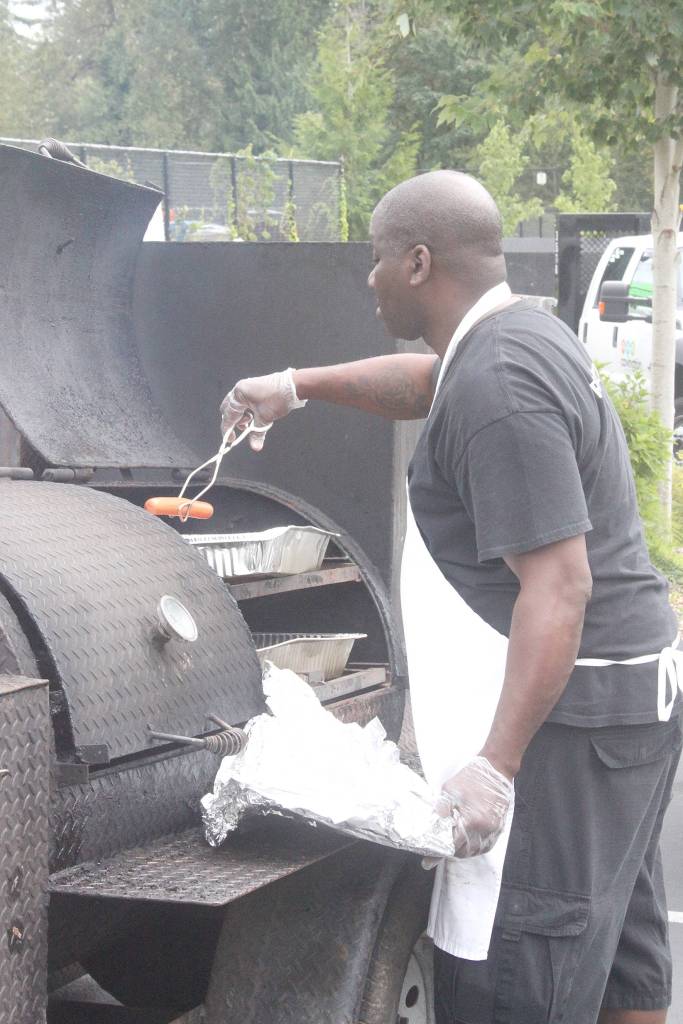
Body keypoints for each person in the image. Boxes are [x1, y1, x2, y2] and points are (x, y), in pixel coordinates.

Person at [220, 170, 682, 1024]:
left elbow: (559, 586)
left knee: (516, 983)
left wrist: (494, 768)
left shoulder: (497, 387)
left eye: (378, 260)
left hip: (568, 735)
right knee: (618, 963)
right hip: (625, 712)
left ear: (419, 263)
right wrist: (296, 385)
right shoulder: (514, 340)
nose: (369, 279)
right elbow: (425, 381)